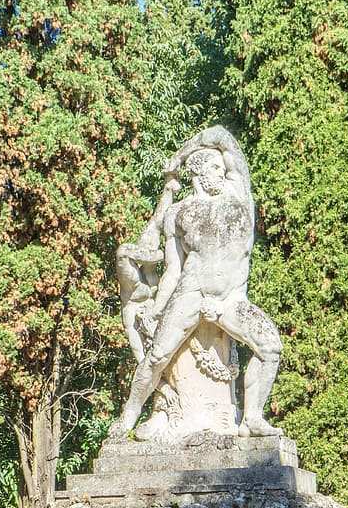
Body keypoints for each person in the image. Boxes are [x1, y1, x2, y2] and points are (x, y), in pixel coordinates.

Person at [112, 126, 282, 438]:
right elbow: (173, 271)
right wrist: (156, 310)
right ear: (200, 174)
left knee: (270, 347)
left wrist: (179, 154)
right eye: (216, 167)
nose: (223, 170)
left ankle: (252, 419)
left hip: (231, 299)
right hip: (190, 293)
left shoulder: (239, 197)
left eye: (223, 166)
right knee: (157, 357)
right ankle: (129, 415)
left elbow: (222, 135)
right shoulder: (179, 213)